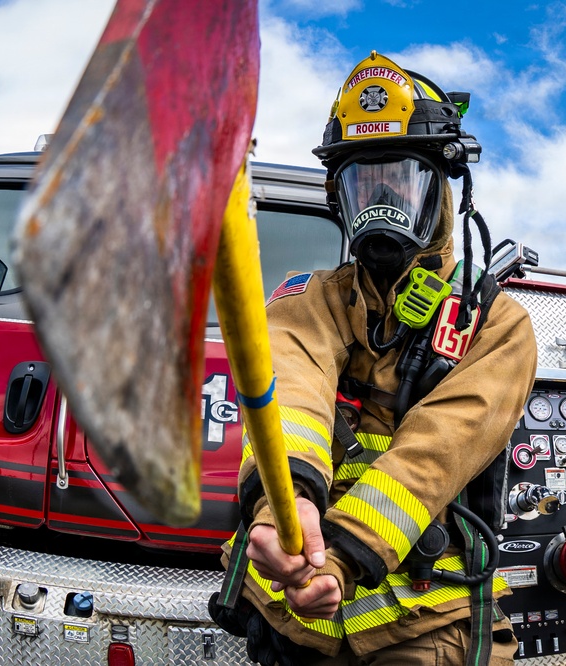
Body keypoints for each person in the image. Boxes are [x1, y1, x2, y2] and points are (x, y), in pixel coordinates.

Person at [210, 51, 538, 665]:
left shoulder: (496, 325)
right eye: (363, 183)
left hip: (424, 623)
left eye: (401, 181)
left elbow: (432, 456)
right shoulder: (308, 302)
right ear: (339, 197)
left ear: (442, 194)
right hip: (291, 618)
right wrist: (290, 502)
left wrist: (337, 555)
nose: (379, 201)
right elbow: (293, 394)